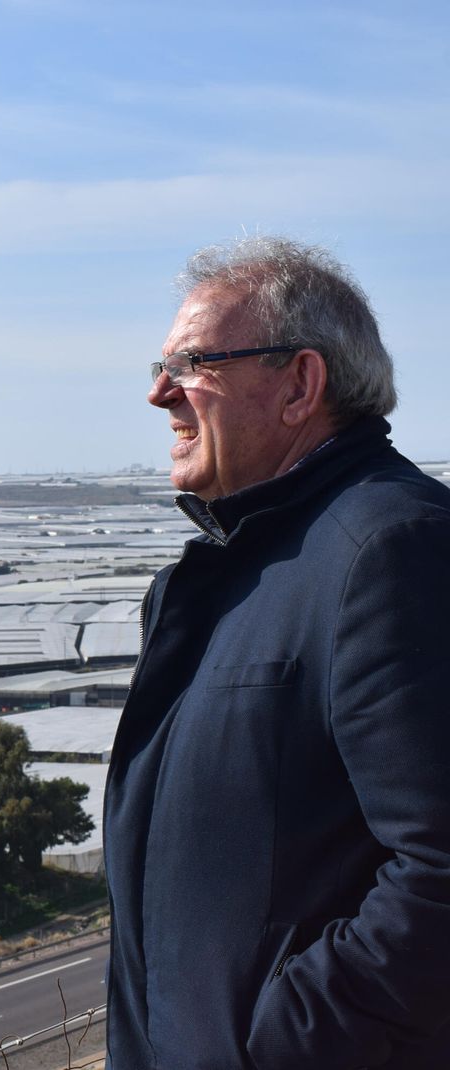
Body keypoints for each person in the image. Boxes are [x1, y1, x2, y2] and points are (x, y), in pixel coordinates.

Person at [105, 236, 450, 1068]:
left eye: (191, 362)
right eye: (161, 365)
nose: (159, 394)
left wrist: (284, 1044)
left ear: (300, 384)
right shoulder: (236, 569)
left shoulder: (392, 550)